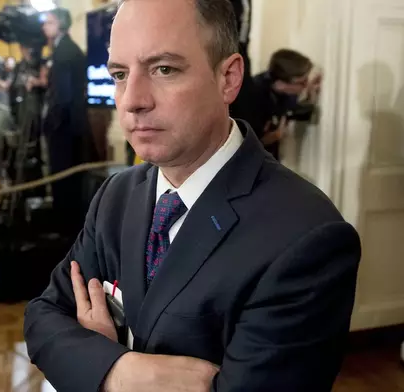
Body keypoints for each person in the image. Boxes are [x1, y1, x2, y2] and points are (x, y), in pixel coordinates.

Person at [23, 1, 361, 391]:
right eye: (119, 73)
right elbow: (44, 315)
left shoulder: (307, 238)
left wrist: (88, 355)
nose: (132, 100)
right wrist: (119, 373)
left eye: (163, 69)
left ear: (228, 79)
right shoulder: (115, 195)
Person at [40, 7, 93, 233]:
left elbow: (63, 96)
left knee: (64, 180)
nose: (44, 26)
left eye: (49, 22)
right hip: (71, 126)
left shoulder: (63, 52)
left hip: (64, 130)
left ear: (60, 24)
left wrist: (51, 125)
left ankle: (64, 230)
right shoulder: (67, 48)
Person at [253, 49, 315, 160]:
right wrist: (275, 136)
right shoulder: (254, 96)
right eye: (301, 82)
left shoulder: (284, 92)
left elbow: (294, 110)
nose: (306, 85)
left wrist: (311, 95)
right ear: (280, 83)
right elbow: (244, 143)